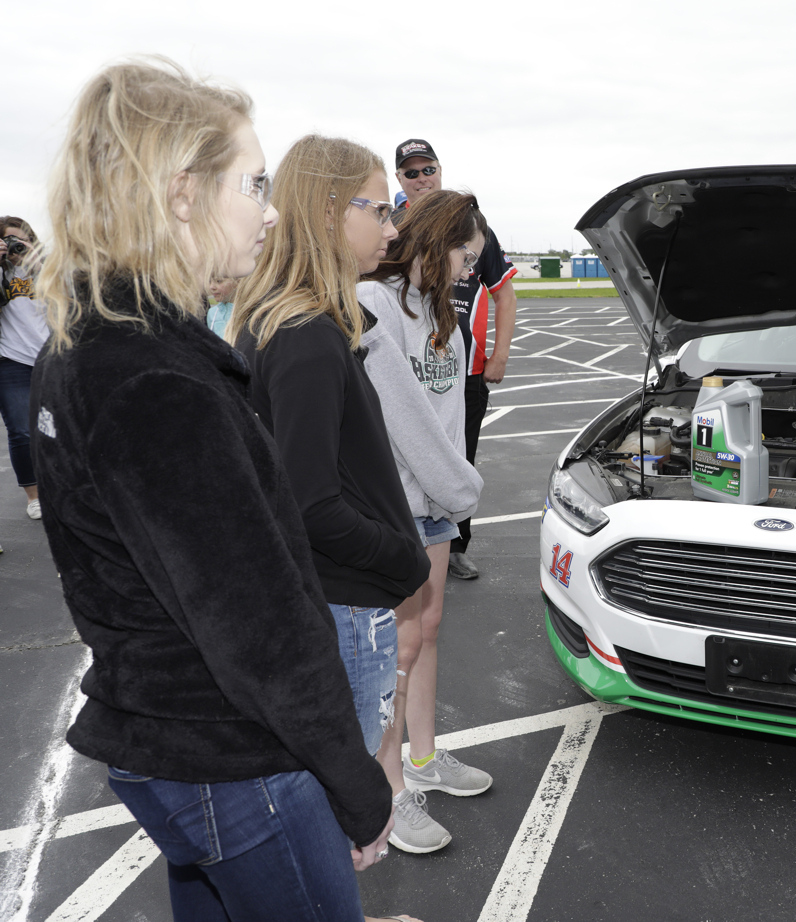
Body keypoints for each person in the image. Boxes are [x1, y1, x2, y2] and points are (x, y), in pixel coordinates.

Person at [29, 59, 399, 922]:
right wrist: (356, 784)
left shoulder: (83, 340)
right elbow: (256, 624)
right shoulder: (155, 377)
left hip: (166, 740)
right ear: (183, 194)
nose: (270, 212)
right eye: (254, 184)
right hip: (234, 759)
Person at [228, 137, 436, 909]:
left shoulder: (284, 322)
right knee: (340, 808)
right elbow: (309, 502)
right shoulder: (309, 335)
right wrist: (403, 560)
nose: (393, 227)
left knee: (320, 796)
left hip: (326, 599)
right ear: (327, 211)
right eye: (379, 209)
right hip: (345, 607)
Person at [358, 190, 490, 854]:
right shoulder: (375, 303)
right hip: (394, 506)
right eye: (466, 255)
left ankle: (424, 759)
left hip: (435, 503)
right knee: (396, 649)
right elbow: (400, 419)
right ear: (440, 243)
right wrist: (461, 486)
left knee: (427, 631)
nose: (470, 270)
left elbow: (449, 418)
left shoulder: (444, 316)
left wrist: (452, 494)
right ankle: (387, 793)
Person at [394, 139, 518, 580]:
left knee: (459, 457)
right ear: (399, 179)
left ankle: (455, 544)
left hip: (462, 371)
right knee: (402, 456)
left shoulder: (474, 227)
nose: (421, 178)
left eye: (428, 169)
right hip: (408, 370)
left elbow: (504, 294)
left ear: (440, 170)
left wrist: (499, 355)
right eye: (411, 172)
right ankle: (404, 541)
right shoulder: (391, 227)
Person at [0, 216, 49, 520]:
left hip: (52, 358)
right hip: (12, 361)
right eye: (11, 241)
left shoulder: (50, 267)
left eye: (24, 239)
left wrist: (37, 263)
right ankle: (34, 496)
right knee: (21, 431)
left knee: (62, 428)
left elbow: (72, 301)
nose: (19, 246)